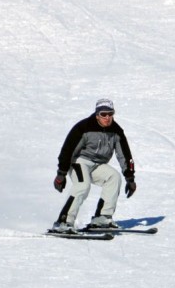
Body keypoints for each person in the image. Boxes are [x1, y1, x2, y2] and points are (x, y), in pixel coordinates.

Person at [52, 98, 137, 233]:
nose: (107, 117)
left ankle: (102, 218)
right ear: (97, 114)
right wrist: (61, 174)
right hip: (79, 162)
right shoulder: (83, 127)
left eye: (110, 114)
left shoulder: (116, 131)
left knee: (114, 177)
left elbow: (125, 155)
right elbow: (67, 150)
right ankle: (63, 221)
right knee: (82, 185)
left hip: (98, 165)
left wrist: (130, 178)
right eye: (104, 114)